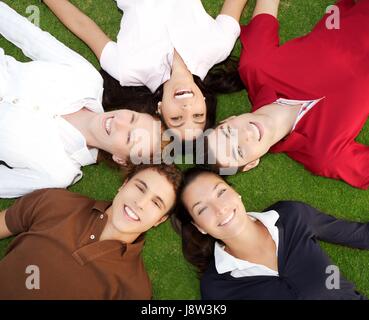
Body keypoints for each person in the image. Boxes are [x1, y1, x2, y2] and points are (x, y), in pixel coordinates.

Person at [0, 2, 162, 198]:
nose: (120, 122)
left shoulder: (59, 173)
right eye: (133, 118)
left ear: (120, 159)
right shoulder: (87, 78)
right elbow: (31, 37)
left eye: (129, 138)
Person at [206, 0, 369, 189]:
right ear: (252, 163)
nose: (245, 134)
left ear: (230, 119)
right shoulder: (324, 155)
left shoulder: (256, 66)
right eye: (239, 151)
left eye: (229, 132)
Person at [43, 0, 247, 140]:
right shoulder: (219, 46)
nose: (187, 109)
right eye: (197, 115)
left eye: (176, 119)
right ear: (204, 101)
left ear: (160, 109)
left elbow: (83, 26)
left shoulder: (126, 69)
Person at [173, 167, 369, 299]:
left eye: (221, 192)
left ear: (236, 193)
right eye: (202, 209)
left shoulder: (292, 216)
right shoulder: (216, 287)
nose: (220, 208)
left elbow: (357, 234)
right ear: (199, 226)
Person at [0, 163, 182, 300]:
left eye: (156, 203)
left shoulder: (135, 289)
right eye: (140, 188)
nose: (140, 203)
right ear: (124, 185)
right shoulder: (55, 201)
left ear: (160, 219)